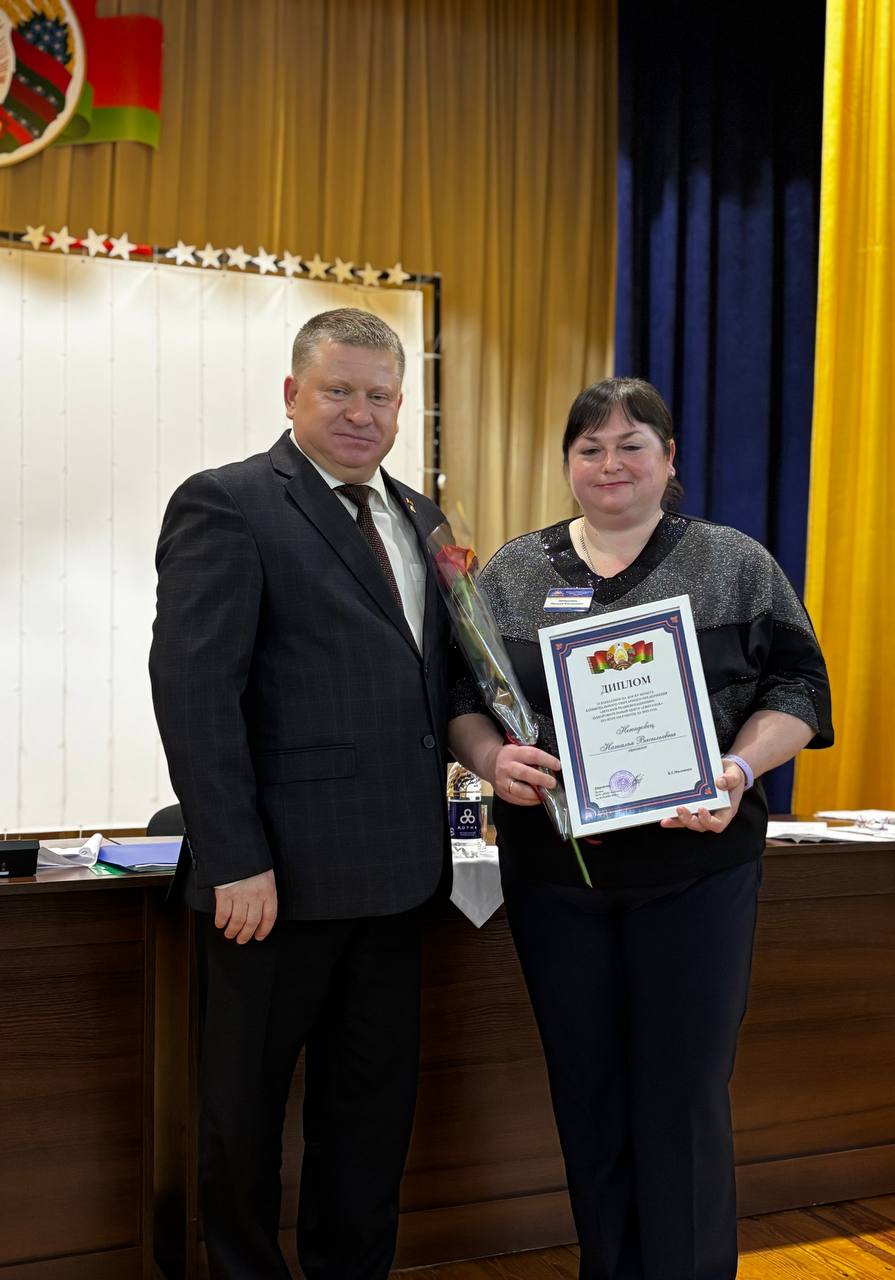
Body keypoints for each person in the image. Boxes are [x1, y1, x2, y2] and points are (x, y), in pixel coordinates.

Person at [449, 377, 833, 1280]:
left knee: (683, 1093)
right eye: (590, 447)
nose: (611, 463)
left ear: (669, 459)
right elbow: (464, 697)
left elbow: (801, 689)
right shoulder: (513, 571)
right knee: (586, 1092)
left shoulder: (734, 562)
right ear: (567, 463)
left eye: (632, 445)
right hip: (557, 879)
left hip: (696, 870)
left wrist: (739, 769)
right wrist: (490, 760)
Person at [149, 309, 452, 1280]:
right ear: (293, 394)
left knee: (370, 1120)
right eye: (339, 391)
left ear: (401, 407)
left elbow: (443, 682)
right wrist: (235, 856)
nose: (362, 413)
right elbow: (195, 691)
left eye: (380, 396)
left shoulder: (424, 520)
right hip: (271, 888)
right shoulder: (229, 502)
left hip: (400, 881)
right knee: (242, 1120)